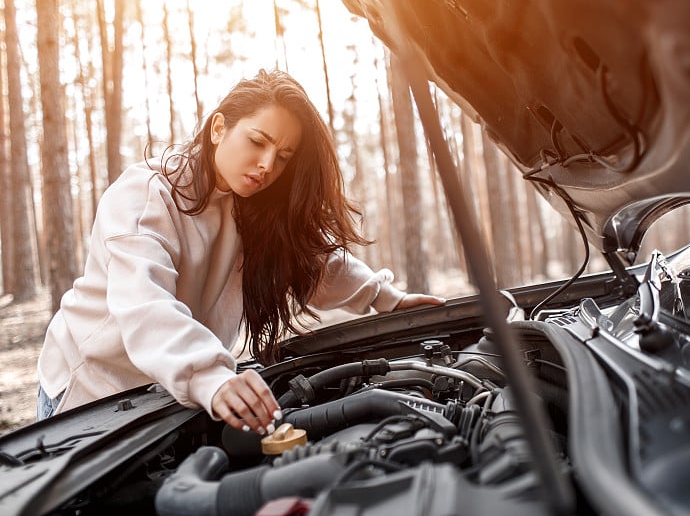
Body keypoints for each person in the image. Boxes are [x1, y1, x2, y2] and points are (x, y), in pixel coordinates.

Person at [36, 69, 445, 436]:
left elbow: (312, 262)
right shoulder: (147, 195)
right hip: (93, 395)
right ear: (218, 128)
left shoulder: (253, 202)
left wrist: (386, 299)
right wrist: (210, 374)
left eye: (283, 157)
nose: (267, 165)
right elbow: (145, 303)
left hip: (174, 395)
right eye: (257, 141)